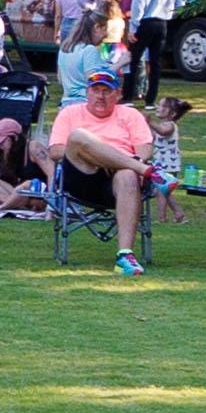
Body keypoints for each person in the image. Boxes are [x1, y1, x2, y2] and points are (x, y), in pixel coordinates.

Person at [43, 55, 158, 272]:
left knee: (126, 174)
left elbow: (144, 149)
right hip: (82, 178)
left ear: (119, 94)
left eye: (107, 91)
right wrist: (98, 155)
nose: (100, 96)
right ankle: (149, 172)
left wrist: (119, 163)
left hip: (120, 183)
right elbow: (55, 151)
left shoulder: (131, 114)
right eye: (95, 90)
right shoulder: (70, 113)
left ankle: (125, 255)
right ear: (87, 92)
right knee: (78, 136)